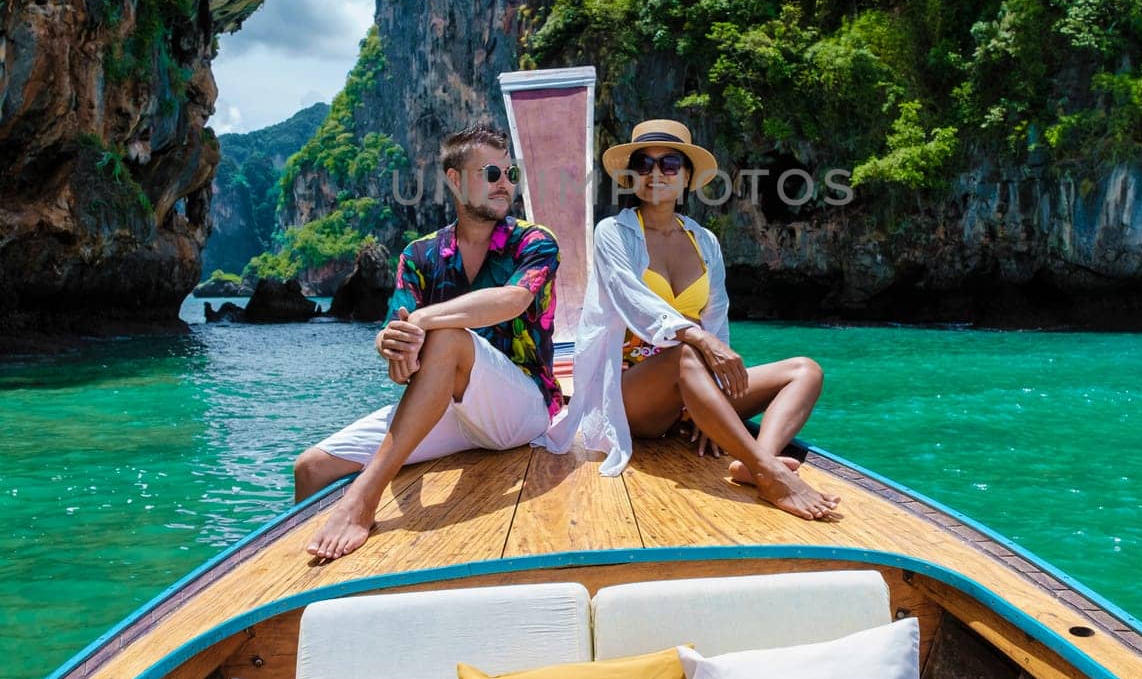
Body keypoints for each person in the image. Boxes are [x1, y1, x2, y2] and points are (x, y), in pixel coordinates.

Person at [547, 118, 839, 522]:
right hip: (633, 391)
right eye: (643, 165)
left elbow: (716, 321)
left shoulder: (704, 240)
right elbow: (634, 301)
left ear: (686, 178)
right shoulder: (612, 233)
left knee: (805, 371)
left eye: (669, 164)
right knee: (686, 352)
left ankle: (755, 461)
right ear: (631, 177)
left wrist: (713, 397)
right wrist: (701, 342)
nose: (655, 173)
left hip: (693, 383)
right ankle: (769, 472)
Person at [294, 122, 562, 560]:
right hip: (447, 406)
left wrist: (421, 321)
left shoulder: (533, 241)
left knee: (447, 339)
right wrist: (394, 344)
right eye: (491, 174)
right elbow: (392, 328)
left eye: (510, 174)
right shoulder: (419, 255)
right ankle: (291, 579)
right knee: (311, 468)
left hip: (523, 408)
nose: (504, 184)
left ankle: (363, 498)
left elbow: (514, 299)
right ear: (455, 181)